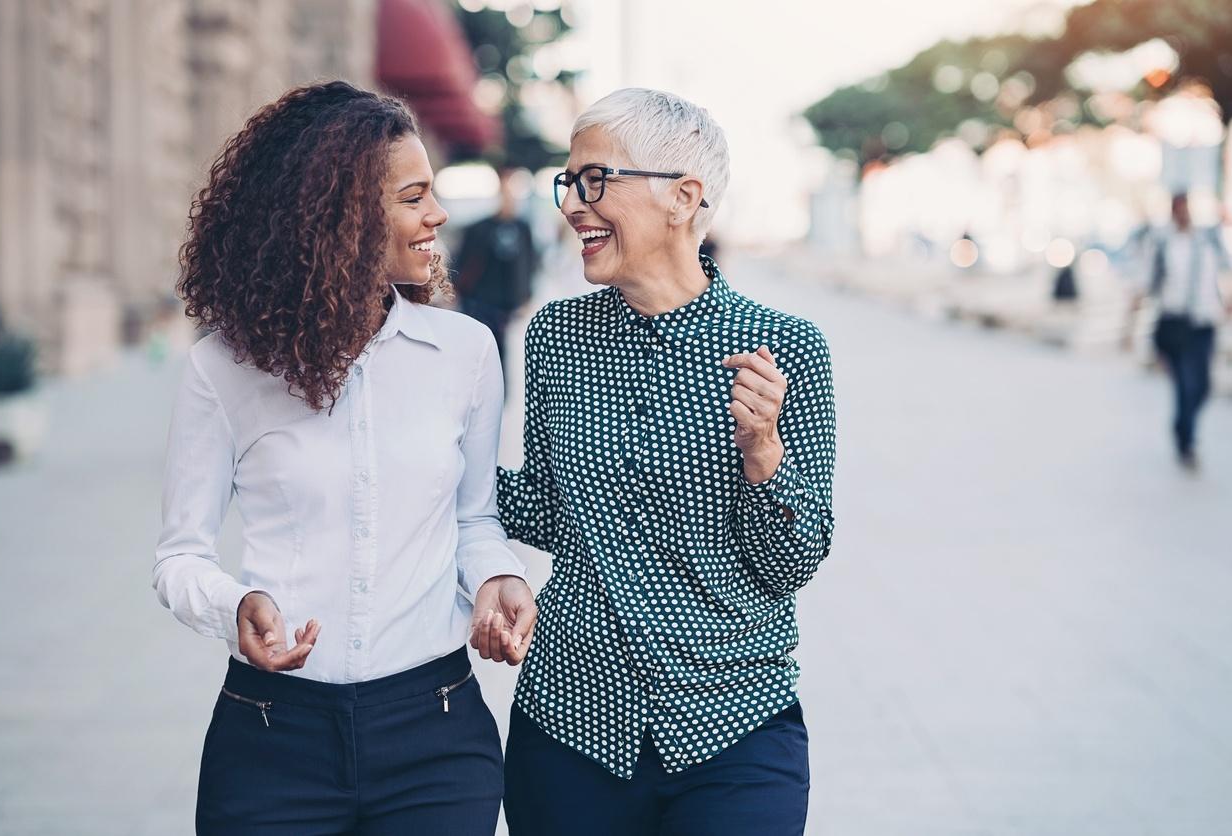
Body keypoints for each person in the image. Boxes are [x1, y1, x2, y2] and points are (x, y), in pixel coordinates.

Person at [153, 80, 536, 835]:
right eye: (414, 197)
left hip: (437, 733)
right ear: (343, 215)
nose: (438, 217)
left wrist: (499, 577)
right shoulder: (225, 369)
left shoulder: (464, 353)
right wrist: (236, 608)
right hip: (271, 740)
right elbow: (178, 557)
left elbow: (474, 517)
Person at [488, 88, 837, 836]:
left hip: (734, 725)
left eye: (596, 180)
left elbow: (794, 562)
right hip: (570, 721)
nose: (575, 204)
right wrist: (420, 458)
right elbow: (549, 508)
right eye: (570, 182)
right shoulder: (556, 338)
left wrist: (763, 456)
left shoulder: (786, 349)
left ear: (683, 198)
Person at [1130, 192, 1232, 470]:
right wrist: (1131, 318)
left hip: (1203, 323)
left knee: (1201, 387)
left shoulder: (1208, 240)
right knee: (1184, 384)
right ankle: (1186, 440)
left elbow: (1228, 272)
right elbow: (1145, 280)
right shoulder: (1162, 243)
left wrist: (1231, 300)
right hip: (1174, 323)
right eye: (1177, 208)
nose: (1182, 213)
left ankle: (1182, 426)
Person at [454, 166, 539, 374]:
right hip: (479, 303)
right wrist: (457, 293)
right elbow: (463, 262)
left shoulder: (523, 228)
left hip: (507, 306)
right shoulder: (479, 228)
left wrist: (527, 296)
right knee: (478, 355)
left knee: (501, 358)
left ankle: (499, 398)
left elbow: (530, 263)